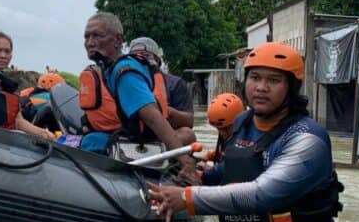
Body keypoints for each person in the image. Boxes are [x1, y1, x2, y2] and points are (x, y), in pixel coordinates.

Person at [149, 42, 350, 222]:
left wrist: (186, 198)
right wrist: (199, 177)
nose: (261, 88)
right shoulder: (243, 122)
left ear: (291, 88)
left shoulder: (307, 140)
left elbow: (261, 194)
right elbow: (236, 169)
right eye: (255, 77)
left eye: (274, 80)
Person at [79, 13, 197, 180]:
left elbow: (153, 117)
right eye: (87, 37)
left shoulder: (125, 73)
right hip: (120, 138)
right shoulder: (107, 69)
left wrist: (186, 163)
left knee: (90, 141)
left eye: (97, 36)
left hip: (133, 144)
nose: (90, 43)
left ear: (118, 41)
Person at [128, 37, 194, 129]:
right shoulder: (123, 82)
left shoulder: (175, 84)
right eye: (134, 57)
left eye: (145, 55)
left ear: (157, 59)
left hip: (167, 131)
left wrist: (166, 112)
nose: (139, 60)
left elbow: (189, 121)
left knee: (187, 133)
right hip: (132, 132)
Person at [198, 93, 245, 175]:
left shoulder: (245, 142)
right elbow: (224, 153)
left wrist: (206, 169)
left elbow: (231, 171)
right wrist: (210, 155)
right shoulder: (228, 136)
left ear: (240, 122)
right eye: (218, 129)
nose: (222, 133)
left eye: (225, 129)